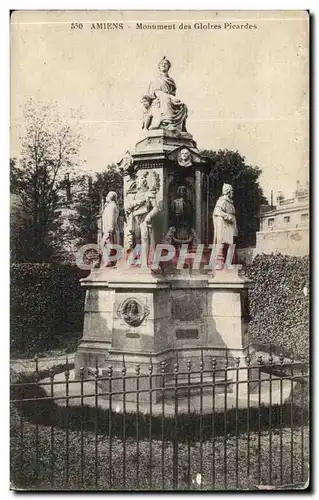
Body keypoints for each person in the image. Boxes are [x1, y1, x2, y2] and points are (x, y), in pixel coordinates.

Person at [144, 56, 188, 133]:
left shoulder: (171, 80)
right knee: (166, 99)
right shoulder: (156, 79)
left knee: (183, 105)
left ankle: (181, 127)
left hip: (170, 98)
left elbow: (173, 93)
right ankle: (167, 122)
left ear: (168, 67)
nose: (164, 65)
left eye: (166, 64)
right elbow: (158, 93)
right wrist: (171, 97)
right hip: (160, 98)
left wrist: (173, 98)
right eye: (162, 64)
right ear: (159, 67)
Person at [212, 183, 238, 264]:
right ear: (228, 191)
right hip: (226, 225)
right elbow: (217, 212)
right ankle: (221, 262)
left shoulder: (230, 202)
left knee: (231, 244)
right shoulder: (222, 200)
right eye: (231, 190)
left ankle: (228, 263)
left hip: (232, 225)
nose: (233, 192)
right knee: (225, 244)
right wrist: (227, 216)